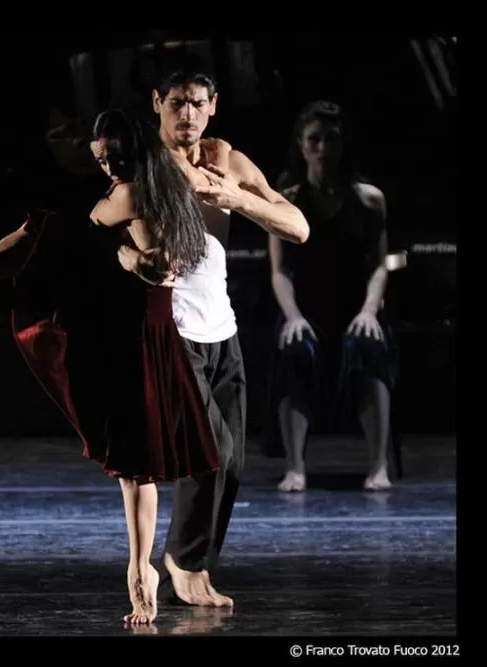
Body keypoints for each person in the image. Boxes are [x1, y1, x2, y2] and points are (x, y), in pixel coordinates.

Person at [0, 107, 221, 625]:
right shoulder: (145, 184)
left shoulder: (139, 193)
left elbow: (160, 266)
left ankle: (139, 570)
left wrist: (126, 257)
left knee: (136, 465)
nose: (108, 167)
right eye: (101, 159)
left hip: (132, 335)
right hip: (127, 327)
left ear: (135, 151)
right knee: (48, 229)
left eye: (115, 157)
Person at [128, 58, 309, 608]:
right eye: (177, 102)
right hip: (172, 327)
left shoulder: (226, 159)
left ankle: (192, 560)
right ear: (157, 102)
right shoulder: (144, 161)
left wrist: (238, 199)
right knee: (211, 448)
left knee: (232, 461)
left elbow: (297, 227)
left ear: (213, 106)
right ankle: (181, 562)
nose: (188, 113)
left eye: (198, 103)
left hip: (221, 327)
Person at [267, 100, 394, 492]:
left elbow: (380, 263)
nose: (323, 148)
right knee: (294, 350)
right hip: (306, 308)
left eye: (331, 140)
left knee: (368, 347)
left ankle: (378, 466)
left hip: (357, 306)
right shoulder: (284, 200)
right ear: (302, 145)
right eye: (315, 140)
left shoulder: (369, 198)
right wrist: (292, 316)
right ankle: (295, 467)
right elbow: (279, 271)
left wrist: (370, 310)